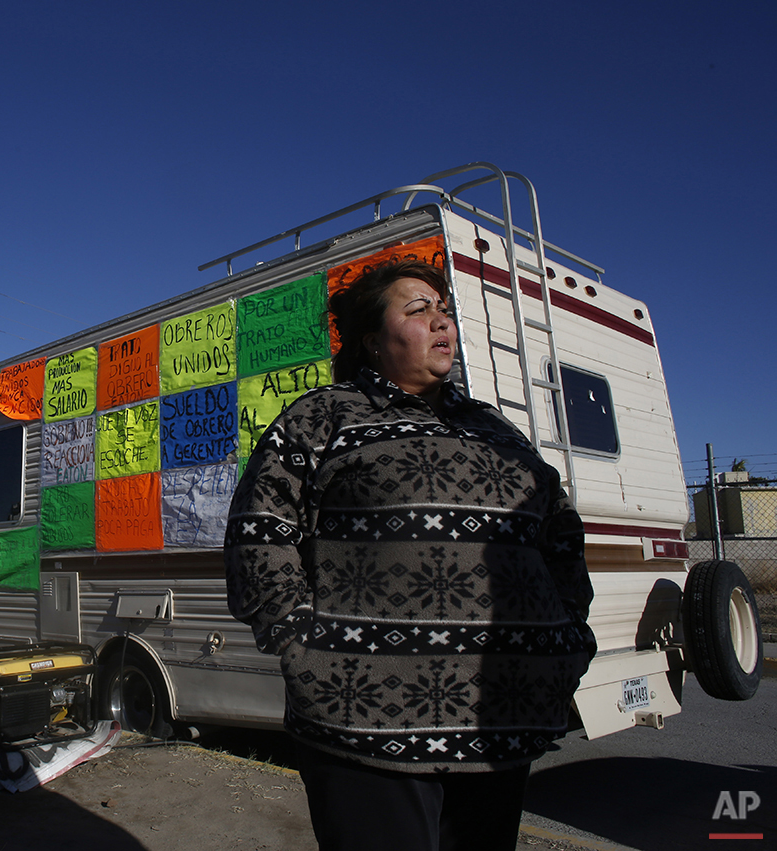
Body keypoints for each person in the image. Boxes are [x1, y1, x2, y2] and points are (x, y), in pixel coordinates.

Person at [224, 259, 596, 851]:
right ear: (372, 339)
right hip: (363, 721)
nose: (439, 321)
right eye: (418, 310)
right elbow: (260, 530)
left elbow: (561, 539)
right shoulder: (324, 417)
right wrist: (300, 644)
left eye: (443, 310)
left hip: (501, 720)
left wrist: (570, 637)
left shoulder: (496, 429)